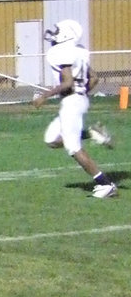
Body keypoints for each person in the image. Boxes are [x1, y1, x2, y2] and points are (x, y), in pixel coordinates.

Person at [32, 20, 117, 198]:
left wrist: (44, 96)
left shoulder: (61, 53)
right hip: (77, 100)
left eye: (57, 31)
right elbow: (94, 78)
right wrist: (81, 93)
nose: (54, 35)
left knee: (73, 147)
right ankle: (92, 133)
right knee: (51, 139)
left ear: (65, 35)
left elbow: (68, 82)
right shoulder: (79, 52)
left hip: (71, 103)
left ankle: (105, 184)